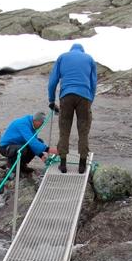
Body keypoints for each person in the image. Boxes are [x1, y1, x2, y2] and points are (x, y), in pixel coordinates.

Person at [47, 43, 97, 174]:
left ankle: (63, 164)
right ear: (82, 50)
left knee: (64, 130)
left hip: (66, 96)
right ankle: (82, 165)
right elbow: (93, 83)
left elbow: (52, 81)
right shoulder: (90, 59)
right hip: (84, 97)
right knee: (83, 131)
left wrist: (51, 100)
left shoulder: (62, 57)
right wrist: (90, 100)